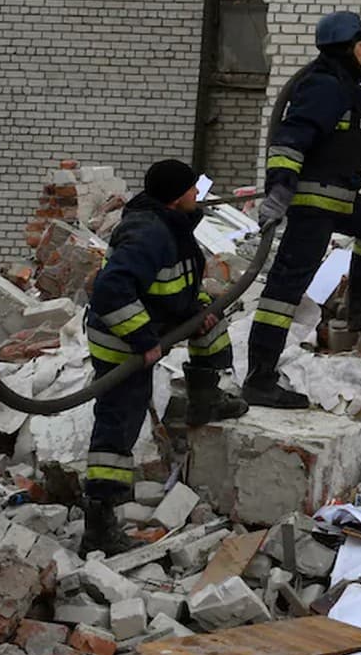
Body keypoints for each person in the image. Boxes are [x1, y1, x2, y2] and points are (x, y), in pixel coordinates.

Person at [245, 10, 361, 410]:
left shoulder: (341, 86)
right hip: (313, 205)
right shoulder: (322, 87)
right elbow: (290, 138)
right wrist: (279, 191)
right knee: (284, 292)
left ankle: (360, 305)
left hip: (337, 199)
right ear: (345, 47)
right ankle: (259, 379)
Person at [83, 159, 245, 555]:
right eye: (191, 189)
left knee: (211, 321)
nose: (197, 194)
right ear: (175, 197)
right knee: (120, 421)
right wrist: (143, 339)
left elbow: (171, 283)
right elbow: (110, 291)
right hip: (121, 342)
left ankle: (205, 398)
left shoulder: (172, 225)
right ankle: (99, 523)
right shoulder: (149, 234)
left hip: (155, 321)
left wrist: (196, 312)